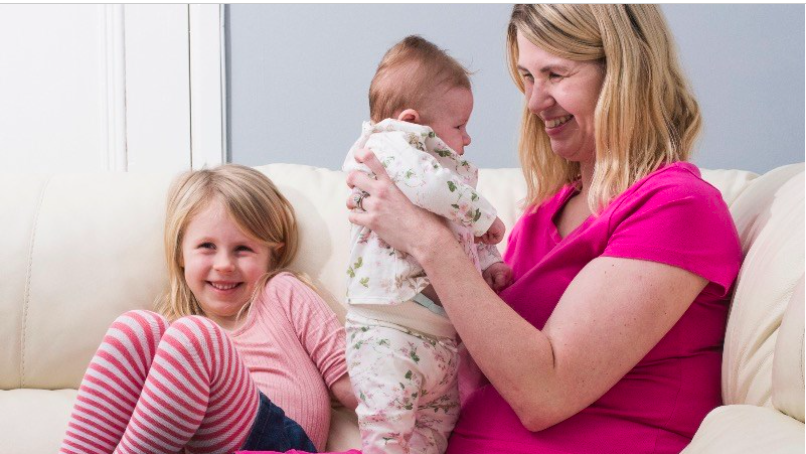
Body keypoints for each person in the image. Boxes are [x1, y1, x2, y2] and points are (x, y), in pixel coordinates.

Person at [345, 5, 742, 454]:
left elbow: (545, 394)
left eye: (555, 74)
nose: (534, 102)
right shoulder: (541, 216)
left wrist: (426, 239)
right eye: (527, 78)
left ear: (623, 75)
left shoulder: (677, 207)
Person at [59, 164, 357, 454]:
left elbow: (353, 385)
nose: (225, 264)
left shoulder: (281, 292)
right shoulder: (174, 338)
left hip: (283, 444)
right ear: (180, 254)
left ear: (272, 253)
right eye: (206, 247)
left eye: (243, 249)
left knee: (193, 336)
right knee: (137, 327)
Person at [341, 36, 512, 454]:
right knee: (388, 432)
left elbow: (459, 231)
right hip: (390, 332)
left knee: (436, 430)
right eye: (458, 126)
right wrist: (484, 214)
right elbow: (433, 188)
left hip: (439, 338)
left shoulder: (446, 177)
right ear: (412, 120)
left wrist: (489, 260)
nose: (468, 138)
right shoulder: (386, 146)